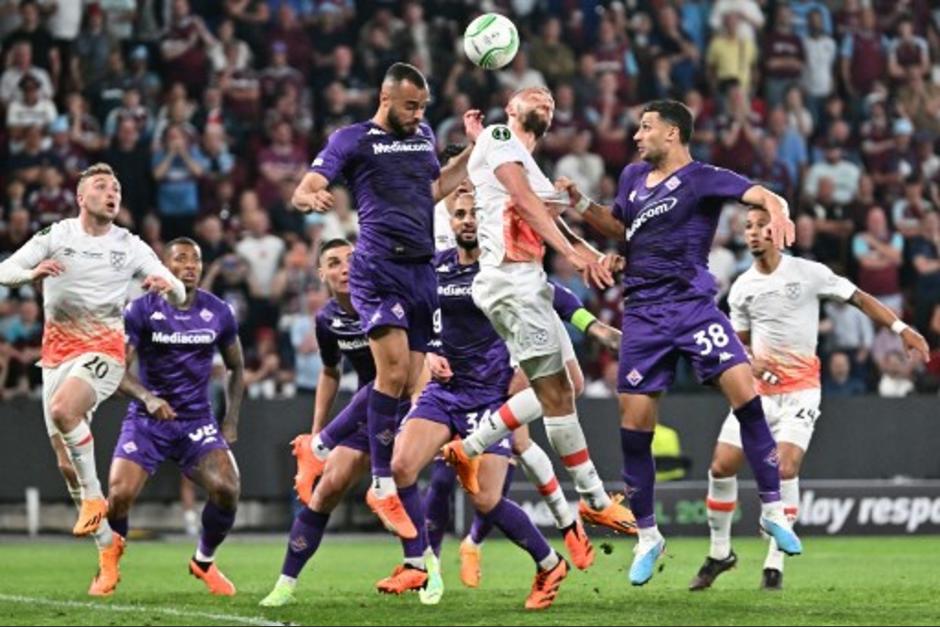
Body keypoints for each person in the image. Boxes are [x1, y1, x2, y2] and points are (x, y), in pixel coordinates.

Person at [556, 99, 802, 586]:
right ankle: (648, 536)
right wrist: (582, 205)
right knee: (635, 427)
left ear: (672, 134)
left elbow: (757, 193)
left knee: (747, 397)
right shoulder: (630, 177)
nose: (636, 136)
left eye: (645, 127)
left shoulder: (703, 177)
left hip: (692, 307)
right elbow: (621, 227)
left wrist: (776, 208)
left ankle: (773, 509)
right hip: (643, 315)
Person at [688, 206, 928, 591]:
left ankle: (774, 562)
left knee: (783, 468)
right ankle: (720, 553)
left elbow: (860, 297)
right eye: (747, 227)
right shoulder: (742, 288)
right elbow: (737, 345)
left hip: (800, 390)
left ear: (779, 231)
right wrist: (750, 360)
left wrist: (901, 328)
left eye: (761, 226)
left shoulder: (809, 273)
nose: (752, 233)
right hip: (758, 394)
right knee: (720, 466)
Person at [290, 62, 482, 538]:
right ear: (385, 98)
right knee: (391, 374)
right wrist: (309, 199)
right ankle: (381, 485)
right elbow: (306, 186)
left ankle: (317, 448)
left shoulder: (422, 139)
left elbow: (433, 188)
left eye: (423, 107)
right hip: (377, 268)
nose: (418, 115)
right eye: (410, 106)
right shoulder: (353, 138)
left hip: (422, 270)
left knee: (411, 379)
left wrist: (473, 149)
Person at [440, 86, 637, 538]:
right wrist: (573, 253)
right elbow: (524, 204)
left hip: (527, 284)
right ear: (511, 109)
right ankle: (594, 501)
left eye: (550, 100)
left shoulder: (531, 169)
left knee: (566, 386)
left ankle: (469, 447)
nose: (545, 100)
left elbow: (550, 214)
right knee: (557, 397)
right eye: (534, 96)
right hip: (512, 283)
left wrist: (593, 254)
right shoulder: (500, 136)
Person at [420, 190, 624, 588]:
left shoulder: (496, 199)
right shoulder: (441, 225)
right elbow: (426, 299)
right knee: (511, 444)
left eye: (472, 203)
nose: (466, 210)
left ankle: (563, 524)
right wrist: (429, 348)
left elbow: (548, 284)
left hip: (521, 314)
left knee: (565, 393)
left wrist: (590, 320)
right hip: (481, 337)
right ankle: (556, 526)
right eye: (459, 204)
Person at [0, 162, 185, 594]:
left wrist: (166, 285)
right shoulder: (57, 236)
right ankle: (108, 547)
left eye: (116, 186)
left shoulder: (130, 244)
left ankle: (94, 500)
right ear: (81, 197)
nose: (111, 191)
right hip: (55, 355)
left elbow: (177, 288)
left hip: (104, 350)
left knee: (66, 410)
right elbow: (4, 270)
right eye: (101, 186)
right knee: (67, 462)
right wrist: (31, 274)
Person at [101, 238, 246, 597]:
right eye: (181, 259)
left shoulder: (219, 312)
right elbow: (116, 369)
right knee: (118, 495)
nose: (191, 266)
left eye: (196, 260)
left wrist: (230, 421)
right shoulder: (140, 310)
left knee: (228, 489)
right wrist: (148, 398)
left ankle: (203, 561)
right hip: (147, 420)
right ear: (164, 267)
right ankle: (108, 563)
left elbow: (237, 368)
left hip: (196, 421)